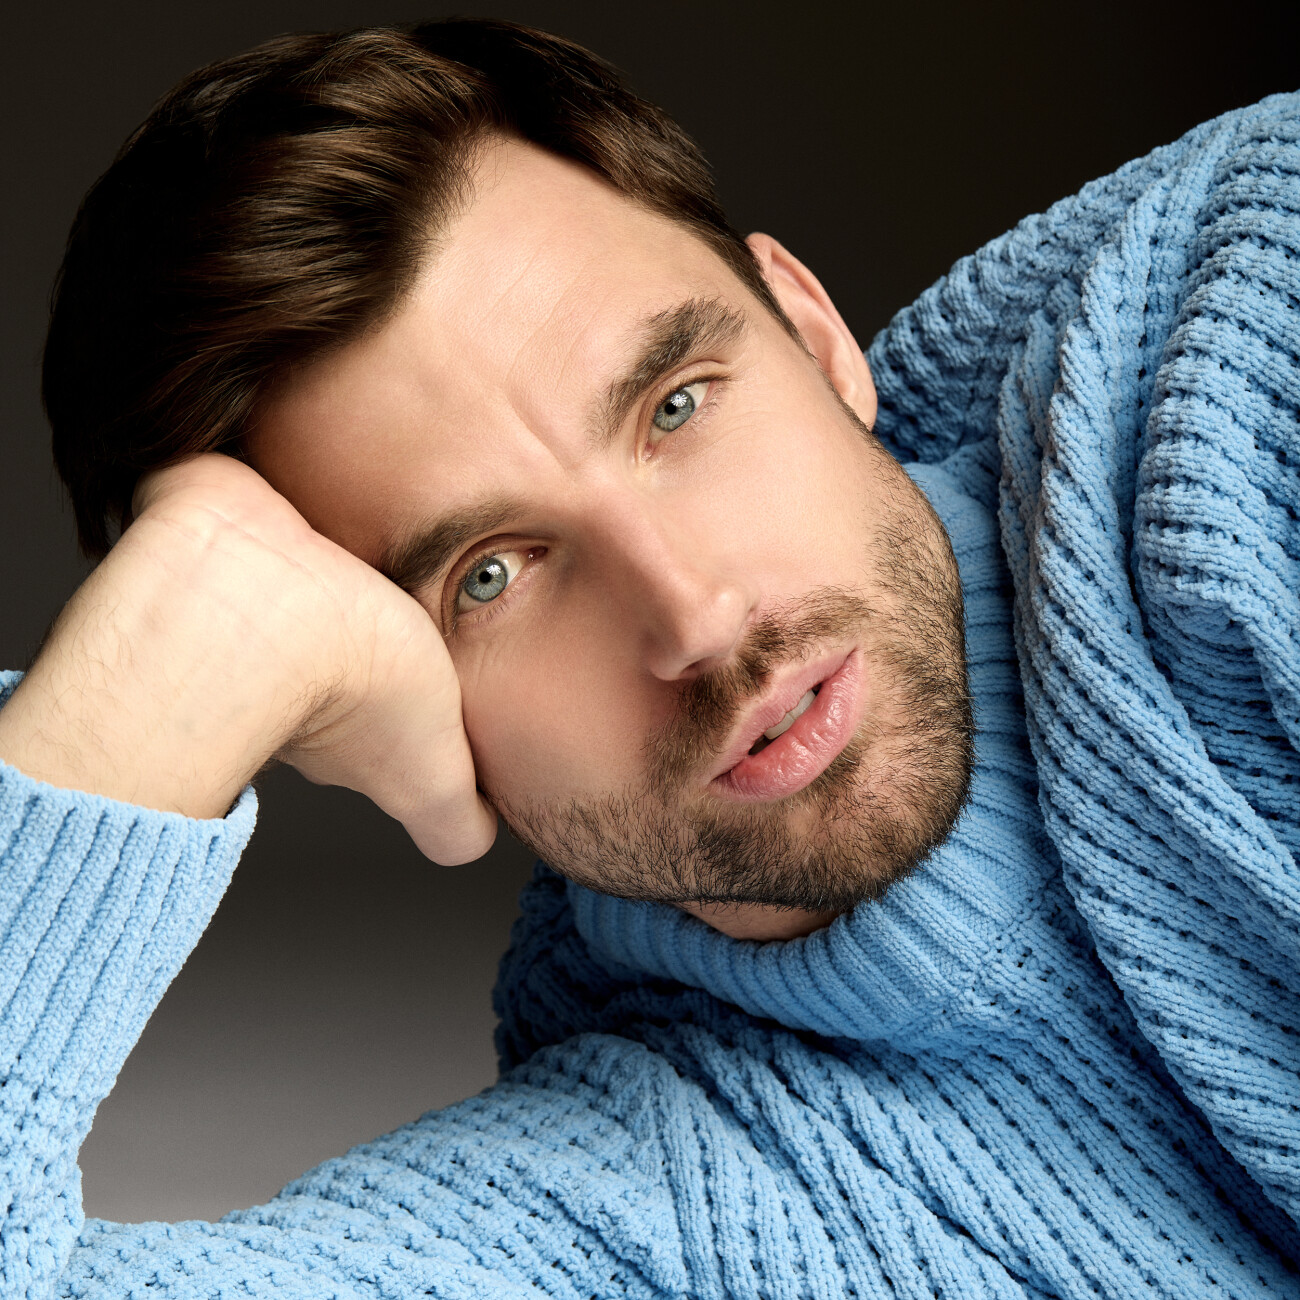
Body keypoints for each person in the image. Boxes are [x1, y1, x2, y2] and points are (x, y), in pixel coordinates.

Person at [0, 17, 1296, 1299]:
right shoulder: (641, 1202)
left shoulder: (1245, 354)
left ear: (813, 334)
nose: (697, 618)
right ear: (359, 693)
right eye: (490, 576)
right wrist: (135, 703)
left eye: (675, 406)